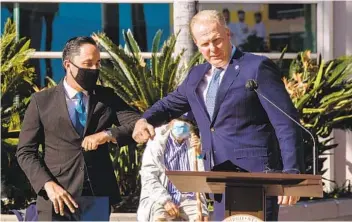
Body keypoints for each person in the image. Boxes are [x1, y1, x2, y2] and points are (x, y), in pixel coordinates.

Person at [132, 10, 304, 221]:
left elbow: (286, 122)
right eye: (205, 44)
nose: (212, 49)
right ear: (196, 43)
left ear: (228, 33)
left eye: (217, 40)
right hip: (218, 179)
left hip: (255, 178)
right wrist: (145, 120)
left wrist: (292, 173)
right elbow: (169, 105)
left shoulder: (256, 67)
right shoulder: (197, 75)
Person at [16, 36, 141, 221]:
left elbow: (138, 123)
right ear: (68, 65)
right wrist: (48, 185)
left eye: (98, 64)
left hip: (96, 197)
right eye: (87, 63)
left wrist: (107, 134)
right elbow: (25, 152)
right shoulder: (41, 101)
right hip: (56, 198)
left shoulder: (106, 97)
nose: (94, 69)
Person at [137, 113, 209, 222]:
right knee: (160, 219)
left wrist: (200, 153)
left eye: (186, 122)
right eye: (178, 121)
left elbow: (203, 177)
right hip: (161, 197)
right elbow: (148, 176)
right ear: (170, 123)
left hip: (190, 198)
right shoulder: (156, 142)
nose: (182, 125)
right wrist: (165, 200)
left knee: (202, 218)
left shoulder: (194, 142)